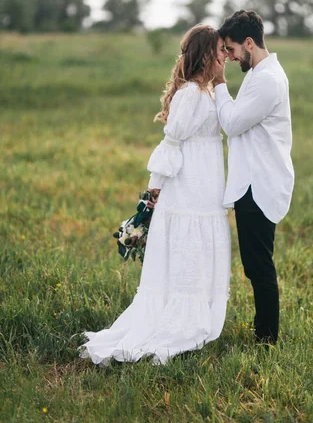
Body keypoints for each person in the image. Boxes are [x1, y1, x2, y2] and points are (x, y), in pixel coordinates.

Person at [78, 25, 231, 366]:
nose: (225, 56)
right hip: (187, 187)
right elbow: (171, 142)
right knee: (187, 250)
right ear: (206, 54)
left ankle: (197, 314)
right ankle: (177, 319)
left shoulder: (207, 92)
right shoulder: (190, 93)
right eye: (220, 50)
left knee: (202, 248)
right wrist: (153, 193)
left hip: (207, 187)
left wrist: (220, 84)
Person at [213, 9, 294, 346]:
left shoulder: (268, 80)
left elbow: (231, 123)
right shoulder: (259, 73)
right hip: (252, 181)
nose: (229, 58)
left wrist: (219, 84)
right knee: (255, 264)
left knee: (259, 264)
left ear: (249, 43)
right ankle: (264, 334)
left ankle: (267, 340)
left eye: (231, 50)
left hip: (260, 184)